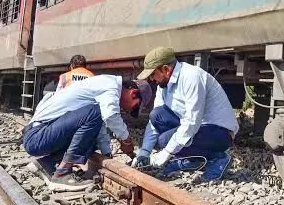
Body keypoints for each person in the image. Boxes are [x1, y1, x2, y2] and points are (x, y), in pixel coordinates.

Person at [22, 75, 152, 190]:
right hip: (37, 136)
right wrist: (127, 140)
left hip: (40, 135)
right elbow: (110, 116)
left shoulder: (103, 87)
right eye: (134, 107)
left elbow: (97, 128)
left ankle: (45, 163)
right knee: (95, 112)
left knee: (92, 135)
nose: (129, 111)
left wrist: (107, 155)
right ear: (133, 93)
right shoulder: (110, 86)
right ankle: (62, 173)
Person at [132, 47, 239, 181]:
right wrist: (144, 152)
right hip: (198, 129)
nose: (152, 79)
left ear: (166, 69)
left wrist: (166, 153)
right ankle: (194, 159)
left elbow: (192, 122)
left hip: (219, 132)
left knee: (165, 140)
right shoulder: (163, 85)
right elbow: (154, 123)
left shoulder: (191, 77)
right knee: (157, 115)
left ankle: (218, 158)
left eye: (153, 74)